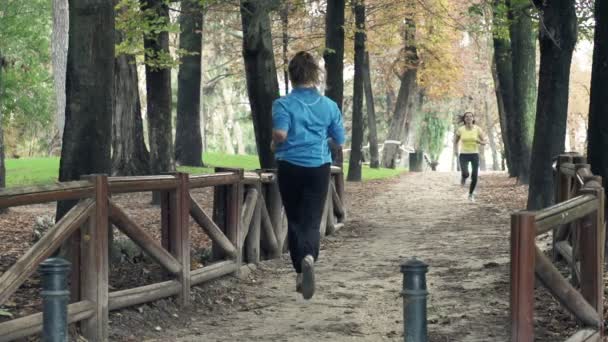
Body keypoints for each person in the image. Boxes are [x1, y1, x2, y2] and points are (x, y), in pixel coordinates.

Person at [271, 51, 345, 300]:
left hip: (290, 166)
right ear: (316, 75)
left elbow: (280, 134)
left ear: (292, 76)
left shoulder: (283, 104)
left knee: (294, 219)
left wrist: (274, 144)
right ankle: (310, 258)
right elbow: (340, 140)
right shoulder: (329, 105)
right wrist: (324, 143)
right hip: (318, 167)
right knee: (311, 219)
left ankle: (300, 270)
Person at [453, 111, 487, 202]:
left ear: (473, 118)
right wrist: (455, 151)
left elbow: (484, 142)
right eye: (467, 117)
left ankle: (471, 194)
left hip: (474, 154)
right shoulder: (461, 130)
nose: (468, 118)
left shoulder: (477, 129)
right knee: (466, 173)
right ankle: (463, 177)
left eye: (470, 116)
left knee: (474, 176)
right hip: (463, 154)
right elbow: (455, 141)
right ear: (464, 119)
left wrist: (479, 141)